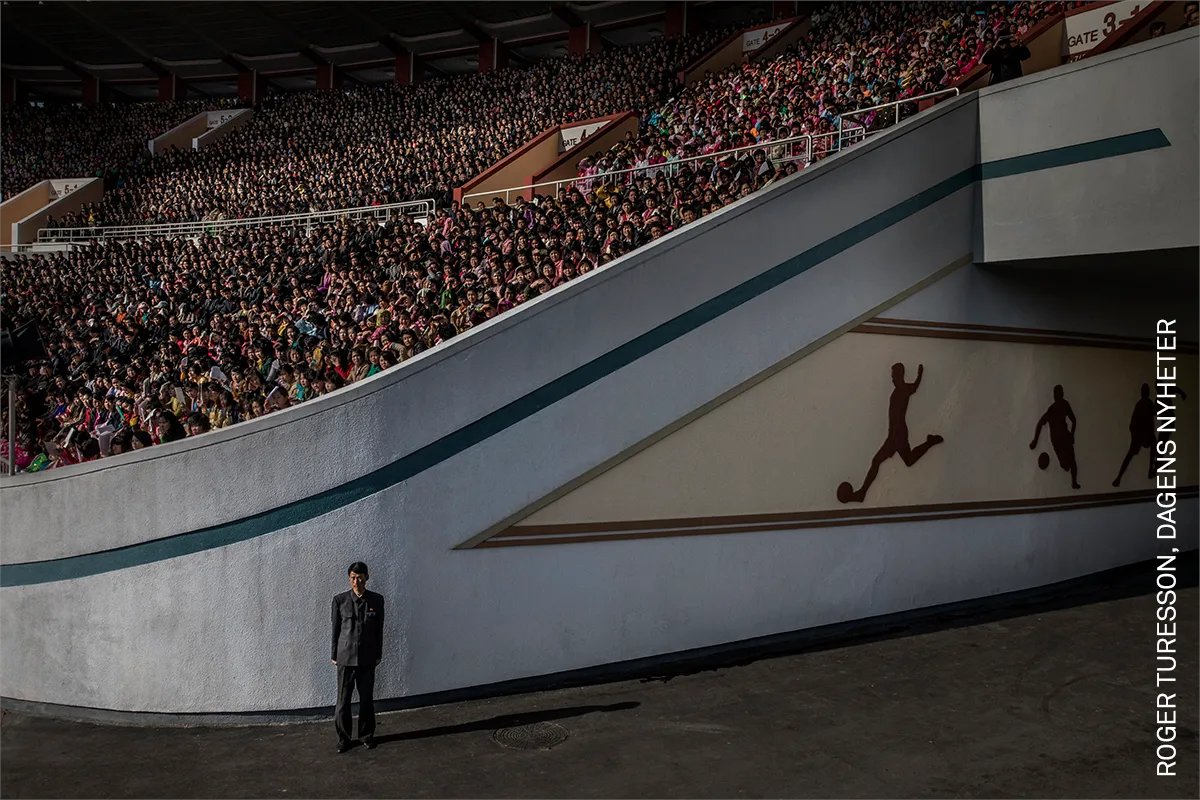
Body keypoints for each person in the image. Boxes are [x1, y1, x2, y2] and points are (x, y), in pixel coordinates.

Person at [331, 561, 386, 753]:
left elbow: (379, 630)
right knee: (343, 701)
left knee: (366, 699)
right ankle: (343, 739)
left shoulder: (377, 600)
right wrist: (334, 654)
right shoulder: (340, 601)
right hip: (345, 658)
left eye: (360, 577)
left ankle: (366, 735)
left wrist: (378, 654)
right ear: (349, 579)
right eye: (353, 578)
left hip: (367, 658)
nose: (356, 581)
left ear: (367, 578)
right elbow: (335, 629)